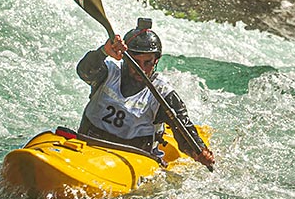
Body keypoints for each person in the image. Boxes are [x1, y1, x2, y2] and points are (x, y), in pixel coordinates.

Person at [75, 17, 215, 169]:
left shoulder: (163, 94)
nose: (141, 69)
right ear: (125, 59)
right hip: (89, 145)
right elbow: (84, 71)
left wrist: (199, 151)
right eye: (135, 62)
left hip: (133, 159)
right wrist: (103, 51)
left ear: (156, 61)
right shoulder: (108, 72)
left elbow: (183, 128)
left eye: (147, 62)